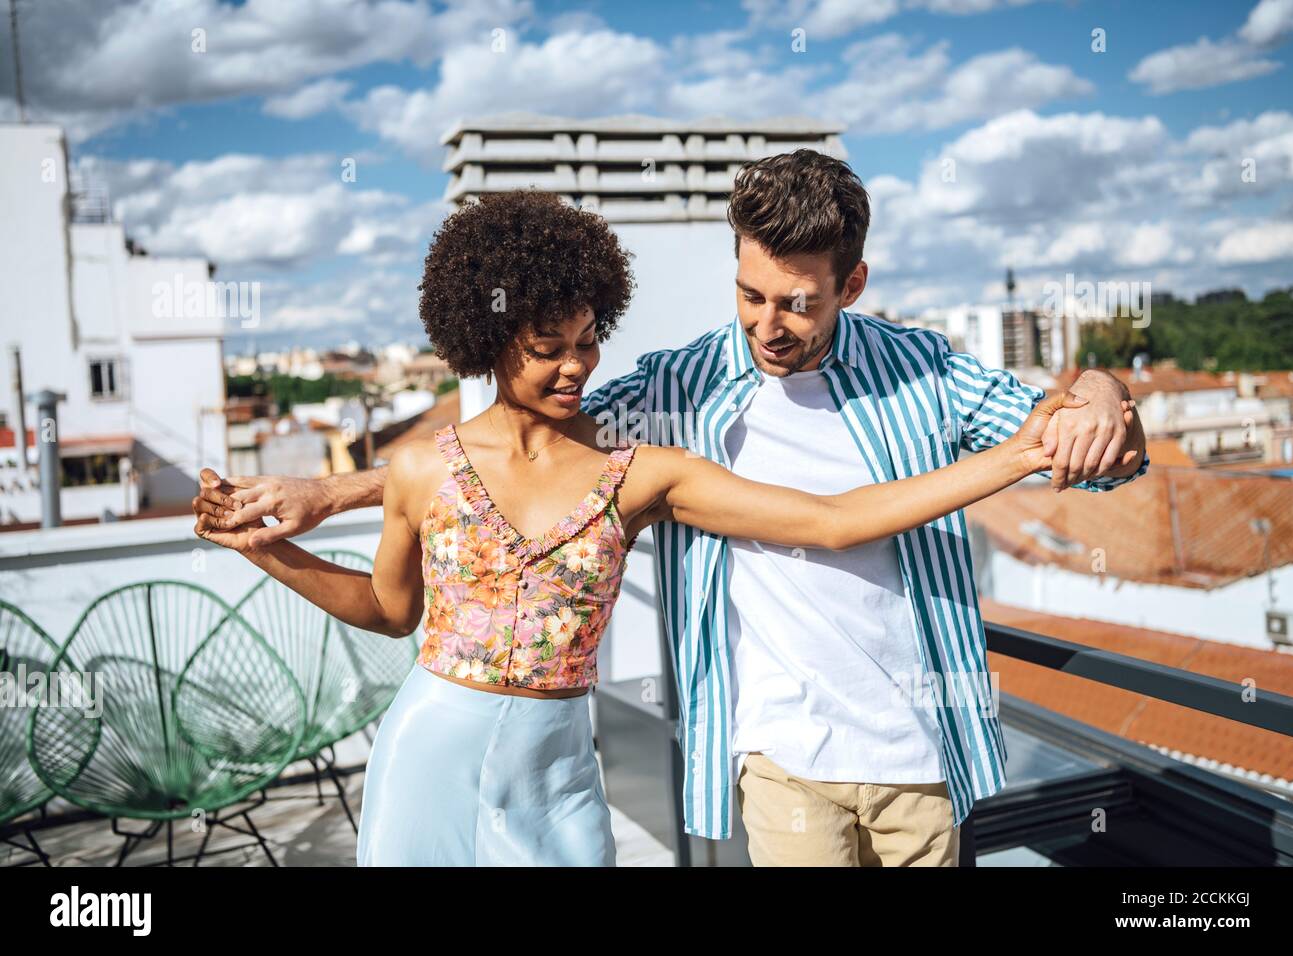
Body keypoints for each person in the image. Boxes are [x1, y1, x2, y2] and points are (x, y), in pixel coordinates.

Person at [198, 156, 1148, 868]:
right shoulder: (678, 387)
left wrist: (1099, 394)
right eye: (748, 292)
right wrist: (322, 497)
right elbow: (481, 469)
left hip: (907, 743)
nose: (766, 323)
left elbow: (877, 505)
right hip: (760, 751)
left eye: (796, 302)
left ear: (850, 287)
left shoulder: (917, 372)